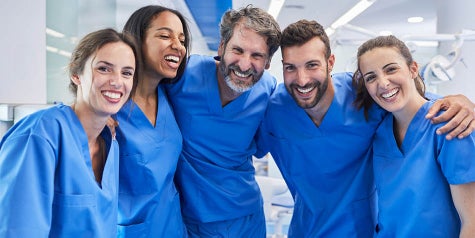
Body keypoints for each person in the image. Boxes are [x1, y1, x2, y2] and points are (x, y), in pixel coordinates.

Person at [255, 19, 475, 237]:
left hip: (362, 231)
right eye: (290, 68)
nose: (302, 80)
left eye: (312, 65)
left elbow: (411, 104)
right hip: (307, 231)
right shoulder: (273, 110)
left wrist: (459, 102)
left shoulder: (362, 98)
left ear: (330, 62)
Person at [0, 28, 139, 237]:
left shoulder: (112, 145)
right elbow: (18, 229)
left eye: (127, 73)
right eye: (103, 69)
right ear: (76, 74)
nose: (117, 81)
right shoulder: (41, 134)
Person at [165, 5, 281, 237]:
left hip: (246, 218)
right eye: (238, 50)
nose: (245, 64)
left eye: (257, 55)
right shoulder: (184, 76)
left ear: (268, 62)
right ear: (221, 47)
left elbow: (262, 146)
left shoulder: (267, 90)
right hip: (190, 218)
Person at [353, 35, 475, 237]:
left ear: (413, 69)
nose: (383, 83)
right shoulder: (379, 133)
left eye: (391, 69)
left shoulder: (450, 124)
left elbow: (472, 222)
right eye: (371, 77)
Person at [115, 5, 191, 238]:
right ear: (137, 41)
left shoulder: (169, 99)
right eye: (165, 35)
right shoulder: (111, 109)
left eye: (182, 39)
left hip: (173, 228)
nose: (178, 46)